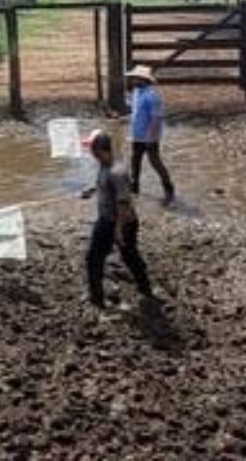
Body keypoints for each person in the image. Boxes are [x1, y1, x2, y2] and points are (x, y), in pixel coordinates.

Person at [80, 129, 154, 309]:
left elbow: (123, 203)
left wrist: (118, 230)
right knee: (126, 256)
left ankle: (98, 300)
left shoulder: (117, 172)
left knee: (97, 258)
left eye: (92, 149)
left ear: (100, 150)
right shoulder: (105, 165)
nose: (90, 153)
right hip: (110, 221)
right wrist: (93, 190)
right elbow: (106, 185)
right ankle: (144, 289)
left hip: (117, 223)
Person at [126, 65, 174, 202]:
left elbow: (156, 119)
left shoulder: (152, 96)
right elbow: (135, 112)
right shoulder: (136, 92)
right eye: (133, 78)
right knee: (135, 160)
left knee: (155, 162)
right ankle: (134, 187)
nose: (133, 80)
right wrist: (125, 119)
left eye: (136, 78)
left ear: (143, 79)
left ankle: (168, 188)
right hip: (137, 134)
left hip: (149, 136)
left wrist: (151, 138)